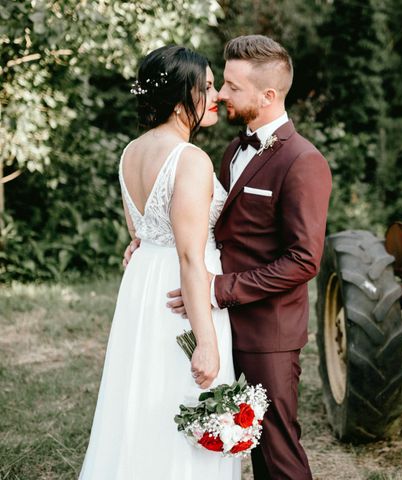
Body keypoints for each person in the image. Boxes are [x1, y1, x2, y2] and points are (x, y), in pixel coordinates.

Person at [127, 35, 333, 479]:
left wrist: (219, 289)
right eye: (220, 83)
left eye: (232, 86)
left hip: (266, 329)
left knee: (276, 450)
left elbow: (303, 260)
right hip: (212, 321)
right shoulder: (229, 151)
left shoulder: (303, 161)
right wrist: (148, 238)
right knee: (215, 437)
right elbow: (204, 226)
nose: (219, 93)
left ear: (268, 95)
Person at [80, 45, 241, 479]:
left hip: (143, 283)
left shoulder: (131, 152)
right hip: (180, 290)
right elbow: (190, 255)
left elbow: (139, 234)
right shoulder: (190, 159)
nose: (217, 94)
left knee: (140, 392)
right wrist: (206, 341)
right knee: (185, 390)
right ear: (179, 97)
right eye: (206, 86)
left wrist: (138, 248)